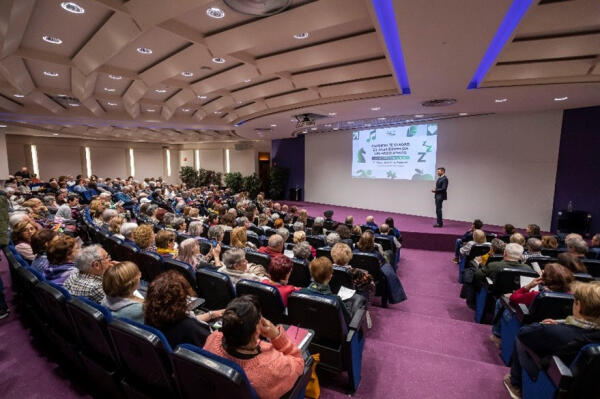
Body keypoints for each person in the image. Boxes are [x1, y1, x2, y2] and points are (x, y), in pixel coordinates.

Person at [504, 282, 600, 398]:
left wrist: (544, 326)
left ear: (578, 305)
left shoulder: (552, 332)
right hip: (585, 388)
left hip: (552, 381)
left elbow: (523, 333)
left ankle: (515, 384)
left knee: (520, 339)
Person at [203, 296, 305, 399]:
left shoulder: (213, 338)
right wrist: (277, 336)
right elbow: (299, 363)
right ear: (257, 330)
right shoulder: (272, 366)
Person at [490, 263, 574, 344]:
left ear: (544, 280)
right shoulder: (573, 296)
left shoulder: (537, 295)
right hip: (556, 329)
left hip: (528, 325)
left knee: (501, 302)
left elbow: (513, 298)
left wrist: (529, 286)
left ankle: (497, 336)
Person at [144, 271, 222, 348]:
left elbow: (184, 321)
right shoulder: (190, 328)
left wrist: (211, 314)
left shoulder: (151, 318)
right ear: (180, 300)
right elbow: (215, 346)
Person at [300, 257, 366, 325]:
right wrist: (347, 308)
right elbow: (348, 319)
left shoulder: (300, 292)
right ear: (330, 276)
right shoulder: (336, 300)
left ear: (311, 275)